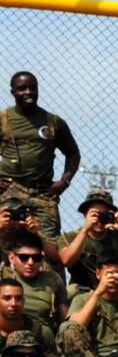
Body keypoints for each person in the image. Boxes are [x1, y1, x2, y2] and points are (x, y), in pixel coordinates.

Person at [0, 72, 81, 239]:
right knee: (6, 238)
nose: (28, 92)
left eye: (32, 88)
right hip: (10, 188)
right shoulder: (3, 119)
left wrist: (64, 182)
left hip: (43, 191)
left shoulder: (53, 122)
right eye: (22, 88)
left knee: (49, 242)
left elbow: (73, 153)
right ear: (13, 92)